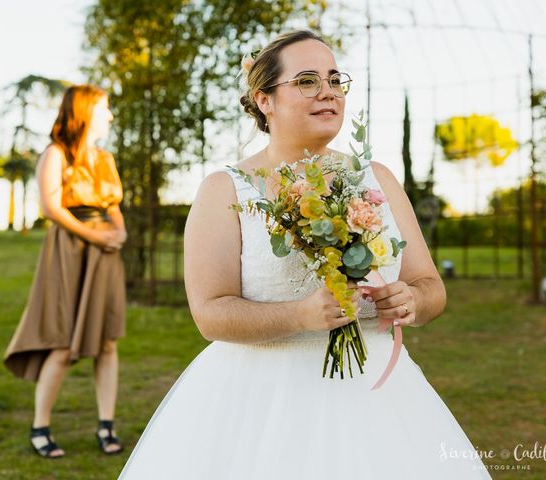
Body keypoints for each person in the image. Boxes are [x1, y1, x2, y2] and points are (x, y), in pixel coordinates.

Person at [117, 30, 490, 479]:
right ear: (265, 100)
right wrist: (300, 315)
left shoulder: (377, 178)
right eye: (308, 81)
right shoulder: (225, 190)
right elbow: (210, 313)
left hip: (377, 393)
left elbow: (431, 288)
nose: (328, 92)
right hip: (259, 401)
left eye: (335, 79)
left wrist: (411, 301)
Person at [4, 85, 127, 458]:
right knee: (62, 342)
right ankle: (40, 426)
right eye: (105, 109)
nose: (109, 116)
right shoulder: (55, 154)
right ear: (86, 111)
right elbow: (51, 207)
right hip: (69, 250)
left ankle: (106, 425)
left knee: (107, 341)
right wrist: (94, 236)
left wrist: (119, 231)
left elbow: (112, 203)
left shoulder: (105, 158)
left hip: (104, 252)